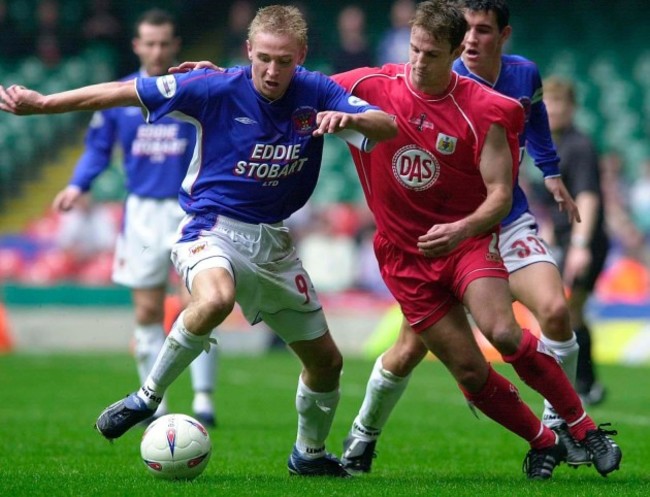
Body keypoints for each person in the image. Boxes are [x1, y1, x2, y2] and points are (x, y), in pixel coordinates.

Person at [0, 4, 397, 477]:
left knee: (327, 363)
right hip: (211, 229)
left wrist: (347, 120)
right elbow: (121, 93)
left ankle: (307, 455)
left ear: (302, 56)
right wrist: (45, 104)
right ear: (248, 50)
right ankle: (147, 398)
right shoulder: (214, 86)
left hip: (274, 244)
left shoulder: (317, 90)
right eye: (263, 58)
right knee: (216, 299)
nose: (272, 71)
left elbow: (386, 124)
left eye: (284, 61)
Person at [330, 0, 621, 480]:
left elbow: (515, 169)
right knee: (416, 354)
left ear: (497, 38)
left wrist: (548, 173)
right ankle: (362, 437)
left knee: (542, 316)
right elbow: (296, 85)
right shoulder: (374, 85)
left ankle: (575, 426)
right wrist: (226, 77)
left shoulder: (509, 90)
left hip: (484, 228)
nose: (421, 62)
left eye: (483, 31)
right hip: (412, 250)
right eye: (414, 51)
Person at [51, 9, 219, 427]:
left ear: (175, 45)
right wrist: (78, 185)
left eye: (165, 43)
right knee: (146, 310)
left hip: (189, 210)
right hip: (141, 212)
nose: (158, 50)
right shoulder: (120, 96)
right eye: (150, 42)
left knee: (199, 305)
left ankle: (203, 401)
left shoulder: (191, 90)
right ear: (137, 45)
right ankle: (153, 403)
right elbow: (97, 147)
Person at [540, 76, 610, 406]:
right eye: (548, 102)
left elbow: (588, 197)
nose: (553, 109)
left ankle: (577, 386)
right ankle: (588, 385)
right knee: (573, 314)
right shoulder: (551, 145)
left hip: (584, 242)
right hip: (566, 238)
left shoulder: (578, 146)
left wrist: (580, 246)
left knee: (567, 312)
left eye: (560, 103)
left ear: (572, 108)